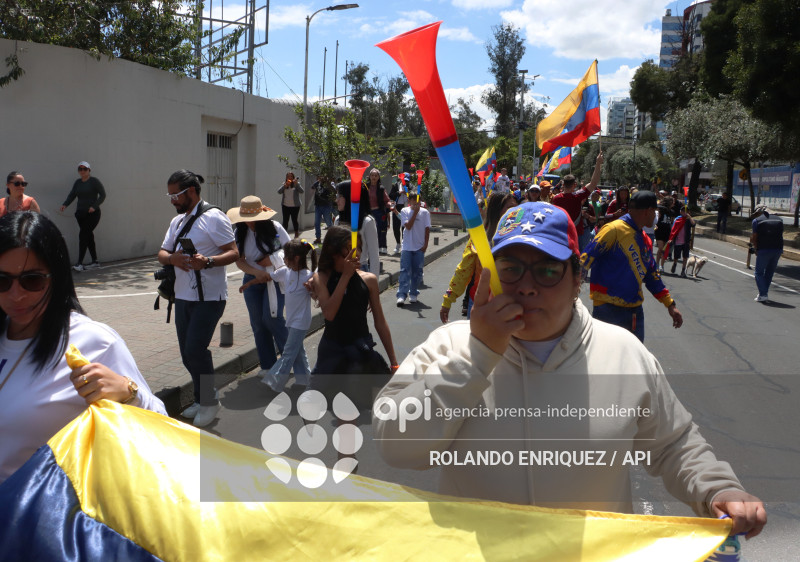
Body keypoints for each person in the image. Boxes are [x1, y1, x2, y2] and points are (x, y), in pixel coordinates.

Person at [373, 201, 766, 539]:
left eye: (547, 271)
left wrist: (718, 490)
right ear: (489, 273)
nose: (526, 287)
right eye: (510, 268)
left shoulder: (624, 353)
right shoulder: (448, 345)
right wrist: (476, 355)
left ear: (577, 279)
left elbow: (673, 445)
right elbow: (396, 445)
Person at [0, 212, 166, 483]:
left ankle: (206, 397)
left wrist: (129, 393)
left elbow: (160, 425)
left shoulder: (92, 342)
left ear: (57, 278)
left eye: (32, 280)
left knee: (196, 352)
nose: (15, 294)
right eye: (2, 280)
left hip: (40, 517)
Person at [157, 170, 238, 428]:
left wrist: (209, 261)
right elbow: (162, 252)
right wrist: (173, 259)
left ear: (190, 191)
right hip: (182, 297)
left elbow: (234, 252)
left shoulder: (215, 218)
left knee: (195, 350)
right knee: (186, 353)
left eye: (175, 195)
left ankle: (209, 402)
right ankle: (202, 397)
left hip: (210, 298)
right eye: (169, 196)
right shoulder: (177, 222)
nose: (172, 201)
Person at [308, 226, 398, 399]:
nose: (355, 256)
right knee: (314, 403)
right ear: (333, 253)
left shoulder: (369, 280)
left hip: (360, 350)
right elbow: (329, 314)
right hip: (332, 351)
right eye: (348, 252)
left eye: (357, 250)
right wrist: (345, 277)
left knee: (369, 405)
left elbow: (380, 321)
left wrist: (394, 362)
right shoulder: (321, 278)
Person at [581, 190, 683, 342]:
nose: (656, 216)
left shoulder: (646, 240)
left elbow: (652, 276)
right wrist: (569, 297)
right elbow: (584, 261)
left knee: (634, 361)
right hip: (607, 310)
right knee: (607, 361)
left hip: (635, 313)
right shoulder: (613, 230)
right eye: (655, 211)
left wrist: (670, 305)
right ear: (647, 211)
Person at [228, 196, 291, 379]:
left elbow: (289, 250)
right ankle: (267, 365)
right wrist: (256, 273)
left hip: (275, 279)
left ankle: (291, 359)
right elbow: (239, 260)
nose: (249, 223)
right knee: (258, 323)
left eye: (252, 219)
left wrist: (271, 260)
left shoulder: (274, 228)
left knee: (272, 318)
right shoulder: (239, 232)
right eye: (246, 220)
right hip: (252, 281)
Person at [440, 192, 517, 323]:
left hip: (510, 306)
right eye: (510, 208)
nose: (515, 211)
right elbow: (463, 270)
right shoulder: (479, 238)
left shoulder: (520, 238)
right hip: (480, 304)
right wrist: (448, 300)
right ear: (497, 210)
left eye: (516, 207)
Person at [251, 239, 316, 392]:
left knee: (288, 352)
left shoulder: (309, 276)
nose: (284, 259)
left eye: (286, 256)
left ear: (297, 258)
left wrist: (312, 289)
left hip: (301, 321)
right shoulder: (285, 272)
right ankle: (305, 379)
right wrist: (248, 284)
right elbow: (267, 277)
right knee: (298, 351)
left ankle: (275, 382)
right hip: (291, 320)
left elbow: (316, 296)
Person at [552, 154, 604, 250]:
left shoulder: (556, 199)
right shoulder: (577, 196)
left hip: (561, 233)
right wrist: (598, 163)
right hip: (576, 233)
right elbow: (593, 183)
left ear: (563, 184)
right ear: (575, 184)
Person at [60, 161, 106, 271]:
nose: (82, 171)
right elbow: (72, 195)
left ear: (89, 170)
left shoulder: (94, 181)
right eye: (80, 169)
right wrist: (65, 204)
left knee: (83, 235)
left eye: (84, 169)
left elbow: (103, 195)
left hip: (92, 214)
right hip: (80, 214)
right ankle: (95, 261)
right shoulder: (78, 183)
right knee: (88, 236)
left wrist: (94, 206)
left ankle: (79, 263)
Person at [336, 181, 380, 275]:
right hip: (339, 270)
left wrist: (374, 284)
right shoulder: (337, 220)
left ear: (349, 197)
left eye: (339, 196)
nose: (336, 201)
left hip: (360, 270)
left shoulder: (367, 222)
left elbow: (374, 256)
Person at [396, 193, 430, 307]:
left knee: (417, 272)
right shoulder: (405, 211)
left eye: (418, 200)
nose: (416, 202)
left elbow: (427, 229)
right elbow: (408, 226)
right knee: (404, 271)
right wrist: (415, 213)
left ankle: (413, 292)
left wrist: (425, 245)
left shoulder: (425, 213)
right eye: (413, 200)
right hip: (406, 247)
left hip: (419, 247)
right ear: (409, 200)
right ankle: (401, 295)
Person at [751, 205, 783, 302]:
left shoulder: (757, 221)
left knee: (759, 272)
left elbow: (755, 237)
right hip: (777, 249)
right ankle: (763, 292)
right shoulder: (779, 220)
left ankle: (763, 294)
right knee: (769, 272)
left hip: (764, 249)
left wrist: (756, 248)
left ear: (760, 212)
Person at [665, 206, 696, 278]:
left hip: (686, 241)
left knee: (685, 257)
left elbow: (693, 224)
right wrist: (671, 238)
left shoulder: (688, 220)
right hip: (678, 240)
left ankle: (683, 270)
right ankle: (675, 263)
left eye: (686, 211)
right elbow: (673, 229)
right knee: (676, 256)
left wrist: (689, 217)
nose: (684, 212)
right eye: (683, 211)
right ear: (680, 212)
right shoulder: (677, 219)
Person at [366, 169, 392, 255]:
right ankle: (368, 247)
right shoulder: (365, 186)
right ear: (369, 176)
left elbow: (387, 200)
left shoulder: (381, 188)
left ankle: (380, 247)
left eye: (376, 175)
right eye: (372, 175)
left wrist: (390, 204)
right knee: (368, 231)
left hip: (378, 212)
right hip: (367, 212)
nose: (374, 177)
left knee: (379, 230)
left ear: (378, 177)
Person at [278, 172, 304, 239]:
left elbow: (302, 191)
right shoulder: (284, 184)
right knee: (285, 221)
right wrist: (285, 186)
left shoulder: (296, 184)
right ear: (286, 178)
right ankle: (284, 236)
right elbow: (279, 192)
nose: (290, 178)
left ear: (293, 177)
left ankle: (296, 234)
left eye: (291, 176)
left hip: (295, 206)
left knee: (294, 220)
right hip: (285, 206)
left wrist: (297, 184)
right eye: (288, 176)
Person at [388, 173, 409, 255]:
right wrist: (399, 193)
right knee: (396, 226)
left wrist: (407, 192)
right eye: (404, 180)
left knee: (404, 227)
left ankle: (404, 244)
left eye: (407, 181)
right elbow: (390, 195)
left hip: (406, 207)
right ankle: (398, 243)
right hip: (397, 207)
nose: (405, 182)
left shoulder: (410, 186)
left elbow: (414, 195)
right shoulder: (396, 185)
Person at [310, 175, 335, 245]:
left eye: (323, 177)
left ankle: (332, 237)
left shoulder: (328, 184)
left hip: (326, 205)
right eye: (320, 177)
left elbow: (333, 191)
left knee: (328, 222)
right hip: (318, 206)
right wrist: (318, 181)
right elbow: (312, 187)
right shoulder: (317, 183)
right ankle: (318, 238)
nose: (321, 178)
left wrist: (328, 183)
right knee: (317, 223)